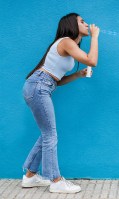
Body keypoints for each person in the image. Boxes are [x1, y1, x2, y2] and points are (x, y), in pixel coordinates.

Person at [21, 13, 100, 193]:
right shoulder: (66, 41)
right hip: (38, 87)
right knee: (50, 135)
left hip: (40, 86)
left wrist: (77, 75)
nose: (87, 24)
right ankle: (55, 180)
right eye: (82, 21)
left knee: (46, 134)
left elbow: (56, 80)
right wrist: (95, 37)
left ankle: (30, 177)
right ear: (72, 24)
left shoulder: (68, 45)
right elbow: (92, 60)